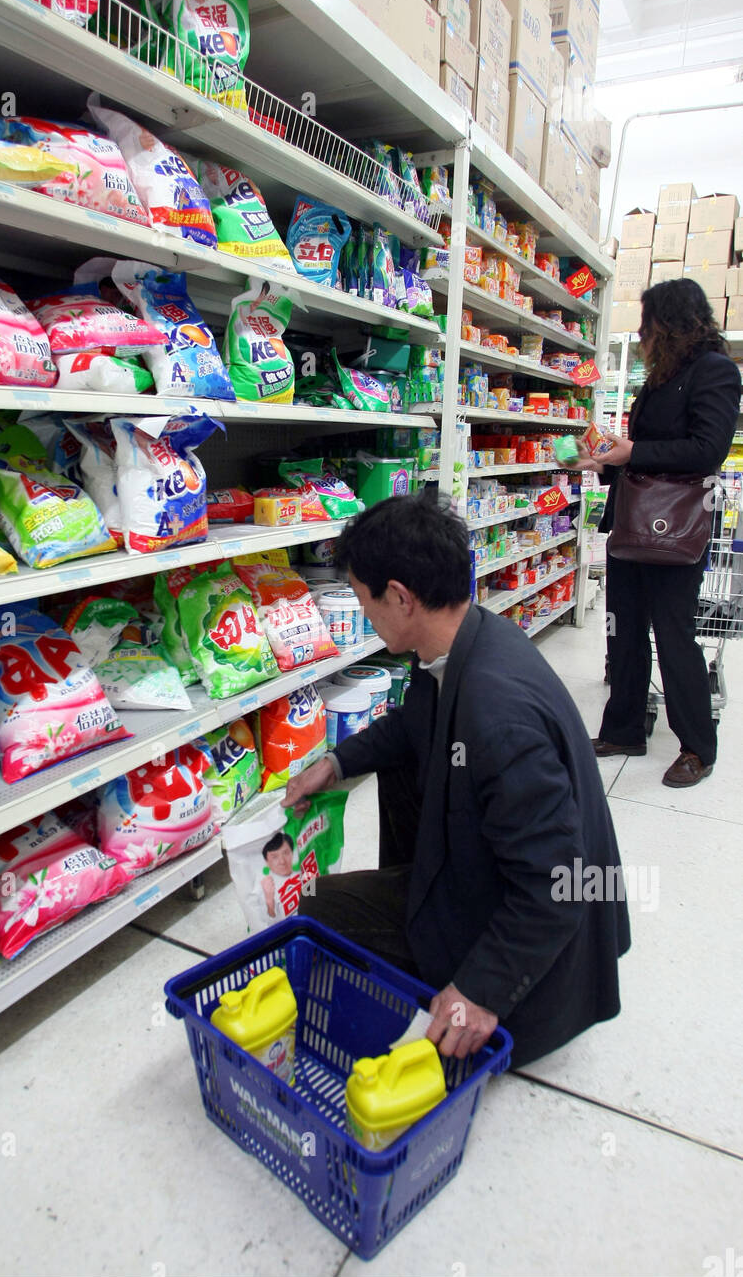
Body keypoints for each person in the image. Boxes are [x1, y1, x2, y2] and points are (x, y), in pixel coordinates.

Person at [284, 492, 630, 1069]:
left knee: (318, 909)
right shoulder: (466, 640)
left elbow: (559, 883)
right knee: (399, 765)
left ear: (400, 596)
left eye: (364, 600)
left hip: (537, 967)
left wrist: (480, 992)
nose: (363, 614)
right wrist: (336, 764)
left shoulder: (496, 716)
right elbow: (411, 727)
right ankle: (423, 908)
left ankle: (436, 956)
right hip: (494, 879)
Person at [579, 279, 741, 787]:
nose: (642, 333)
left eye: (647, 323)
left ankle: (697, 746)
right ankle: (625, 727)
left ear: (669, 323)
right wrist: (602, 463)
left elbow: (706, 450)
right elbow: (642, 449)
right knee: (623, 632)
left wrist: (633, 454)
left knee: (674, 635)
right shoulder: (659, 377)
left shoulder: (715, 372)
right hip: (632, 522)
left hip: (677, 528)